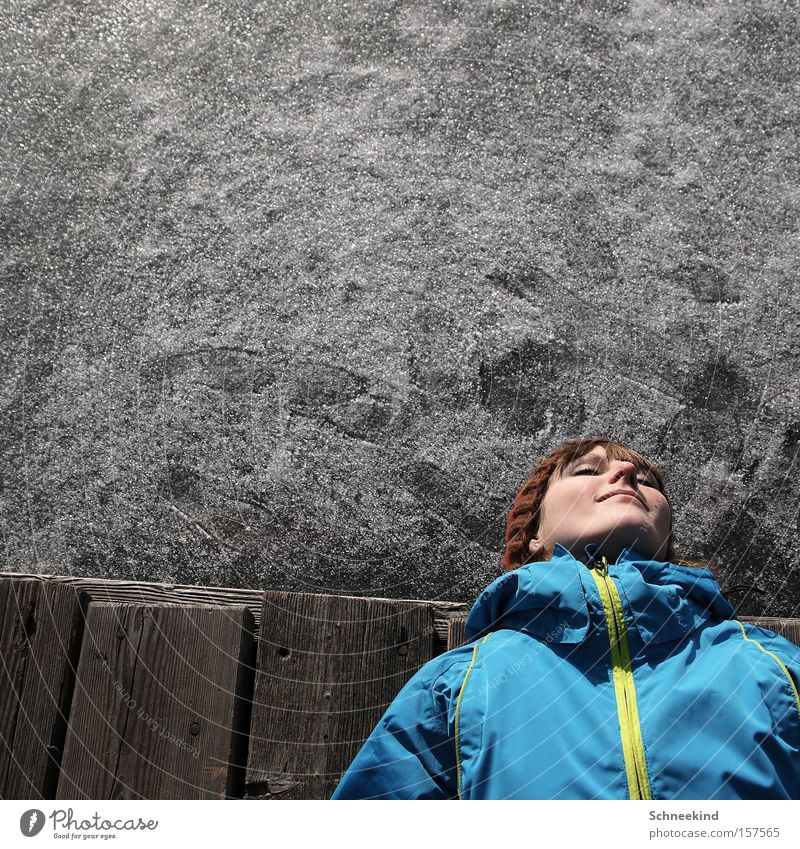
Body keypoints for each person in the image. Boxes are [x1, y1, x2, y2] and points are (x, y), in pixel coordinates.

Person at [330, 437, 800, 800]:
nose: (627, 471)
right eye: (587, 470)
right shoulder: (460, 684)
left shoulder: (772, 665)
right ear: (533, 534)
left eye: (647, 481)